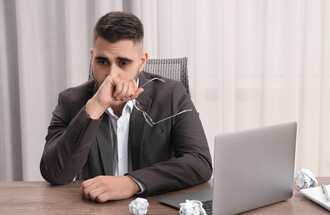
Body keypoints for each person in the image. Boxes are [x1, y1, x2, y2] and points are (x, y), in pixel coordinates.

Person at [40, 11, 212, 203]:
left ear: (142, 61)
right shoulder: (71, 101)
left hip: (155, 211)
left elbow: (200, 163)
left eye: (123, 63)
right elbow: (54, 173)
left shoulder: (172, 94)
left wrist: (130, 183)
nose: (111, 75)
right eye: (102, 61)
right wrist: (96, 106)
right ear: (92, 57)